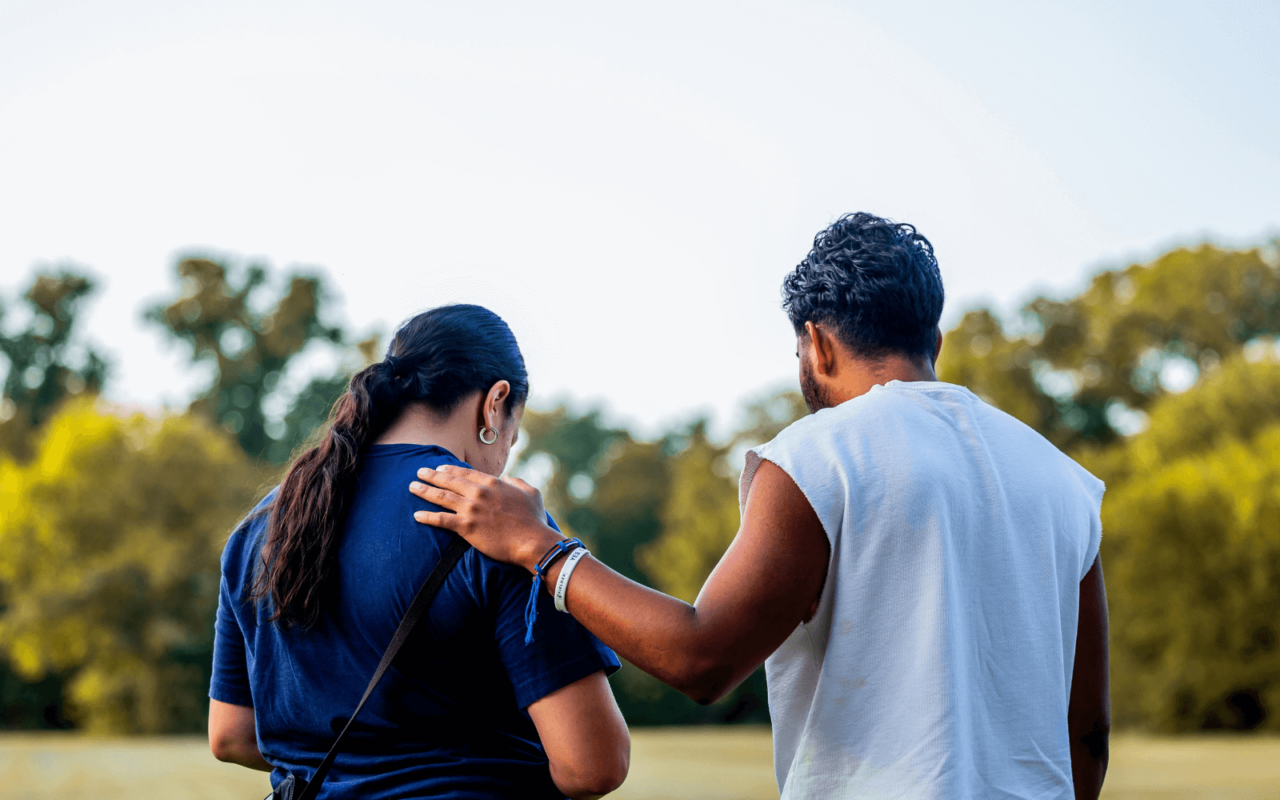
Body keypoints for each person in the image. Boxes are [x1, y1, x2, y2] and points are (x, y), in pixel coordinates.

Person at [408, 214, 1111, 800]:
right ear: (934, 338)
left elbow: (702, 658)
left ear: (817, 342)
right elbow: (1089, 736)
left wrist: (542, 547)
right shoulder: (1064, 482)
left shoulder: (819, 457)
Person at [208, 304, 630, 800]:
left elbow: (232, 734)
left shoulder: (261, 526)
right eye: (515, 431)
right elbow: (593, 765)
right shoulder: (499, 526)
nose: (507, 451)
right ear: (495, 404)